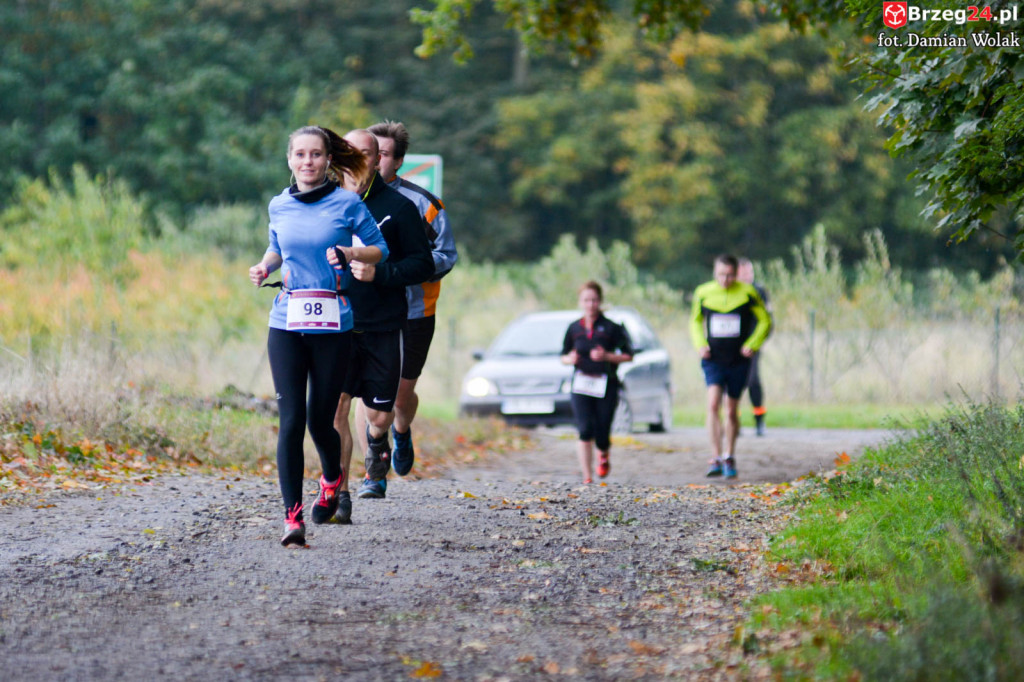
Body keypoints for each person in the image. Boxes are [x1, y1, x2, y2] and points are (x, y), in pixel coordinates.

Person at [248, 125, 389, 547]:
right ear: (290, 160)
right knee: (291, 421)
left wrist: (350, 252)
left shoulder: (346, 203)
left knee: (320, 420)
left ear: (328, 160)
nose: (307, 161)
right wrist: (265, 266)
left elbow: (379, 248)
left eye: (315, 154)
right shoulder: (278, 204)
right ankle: (292, 518)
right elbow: (278, 248)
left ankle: (331, 479)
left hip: (332, 322)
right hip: (287, 320)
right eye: (300, 154)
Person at [326, 129, 434, 513]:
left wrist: (380, 273)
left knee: (380, 414)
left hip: (383, 322)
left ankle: (378, 440)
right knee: (336, 406)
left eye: (366, 153)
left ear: (378, 160)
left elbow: (422, 264)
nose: (358, 159)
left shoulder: (400, 207)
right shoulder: (323, 201)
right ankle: (338, 494)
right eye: (350, 151)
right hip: (335, 321)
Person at [366, 120, 458, 477]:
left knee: (400, 396)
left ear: (399, 161)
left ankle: (401, 430)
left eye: (385, 154)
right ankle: (372, 470)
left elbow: (446, 255)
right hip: (367, 308)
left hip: (414, 310)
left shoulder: (424, 203)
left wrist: (405, 268)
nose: (376, 161)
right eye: (371, 153)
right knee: (367, 390)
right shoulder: (348, 199)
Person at [689, 254, 771, 479]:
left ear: (736, 274)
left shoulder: (748, 292)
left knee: (731, 410)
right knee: (713, 403)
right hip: (713, 358)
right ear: (714, 273)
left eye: (730, 275)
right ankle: (715, 456)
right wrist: (700, 344)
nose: (725, 280)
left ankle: (729, 455)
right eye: (721, 275)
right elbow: (695, 320)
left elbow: (765, 320)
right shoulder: (703, 292)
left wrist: (752, 344)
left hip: (738, 359)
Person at [560, 281, 634, 485]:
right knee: (584, 429)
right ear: (580, 302)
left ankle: (603, 452)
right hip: (581, 384)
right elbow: (563, 355)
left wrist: (607, 356)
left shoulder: (612, 328)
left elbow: (629, 355)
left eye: (594, 300)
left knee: (602, 430)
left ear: (600, 301)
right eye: (586, 300)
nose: (590, 304)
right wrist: (570, 359)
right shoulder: (574, 328)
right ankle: (587, 476)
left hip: (606, 384)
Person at [737, 258, 772, 436]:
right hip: (732, 346)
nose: (747, 276)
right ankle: (734, 421)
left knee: (753, 381)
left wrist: (759, 342)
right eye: (743, 273)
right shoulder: (731, 292)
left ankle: (759, 420)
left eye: (749, 272)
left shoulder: (759, 292)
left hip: (753, 345)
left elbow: (768, 320)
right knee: (734, 384)